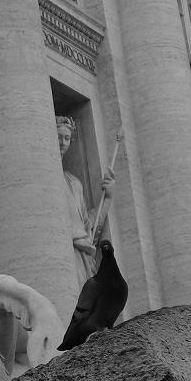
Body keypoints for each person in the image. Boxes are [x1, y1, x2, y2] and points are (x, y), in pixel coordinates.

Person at [56, 116, 115, 286]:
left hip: (81, 256)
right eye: (59, 137)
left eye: (67, 138)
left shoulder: (75, 183)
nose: (63, 143)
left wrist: (108, 198)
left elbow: (89, 228)